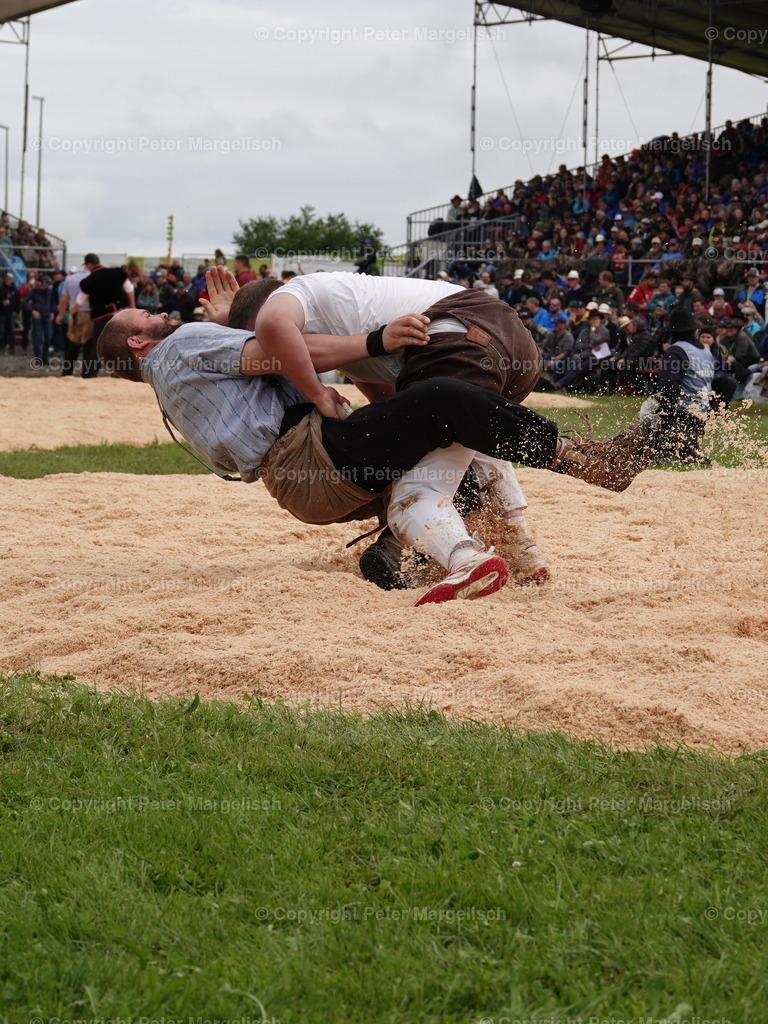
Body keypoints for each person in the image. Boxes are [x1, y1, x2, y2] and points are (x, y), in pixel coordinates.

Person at [95, 289, 661, 606]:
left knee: (455, 458)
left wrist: (228, 324)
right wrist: (375, 340)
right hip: (310, 456)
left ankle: (406, 558)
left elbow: (244, 371)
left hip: (301, 488)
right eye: (147, 315)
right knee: (443, 398)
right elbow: (280, 353)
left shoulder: (169, 388)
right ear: (138, 341)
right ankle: (588, 462)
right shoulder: (185, 343)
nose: (161, 312)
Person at [74, 254, 135, 377]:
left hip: (101, 316)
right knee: (122, 344)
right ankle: (121, 374)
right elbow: (129, 289)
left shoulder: (88, 281)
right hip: (121, 313)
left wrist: (73, 310)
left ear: (89, 264)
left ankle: (90, 374)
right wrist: (133, 306)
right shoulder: (117, 272)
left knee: (98, 346)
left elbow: (80, 301)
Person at [0, 272, 19, 353]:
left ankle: (12, 348)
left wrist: (16, 311)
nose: (8, 280)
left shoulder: (15, 290)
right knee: (1, 331)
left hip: (11, 313)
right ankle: (1, 347)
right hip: (2, 313)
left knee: (11, 331)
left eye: (9, 279)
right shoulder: (1, 289)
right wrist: (2, 302)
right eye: (6, 278)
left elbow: (18, 302)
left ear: (12, 280)